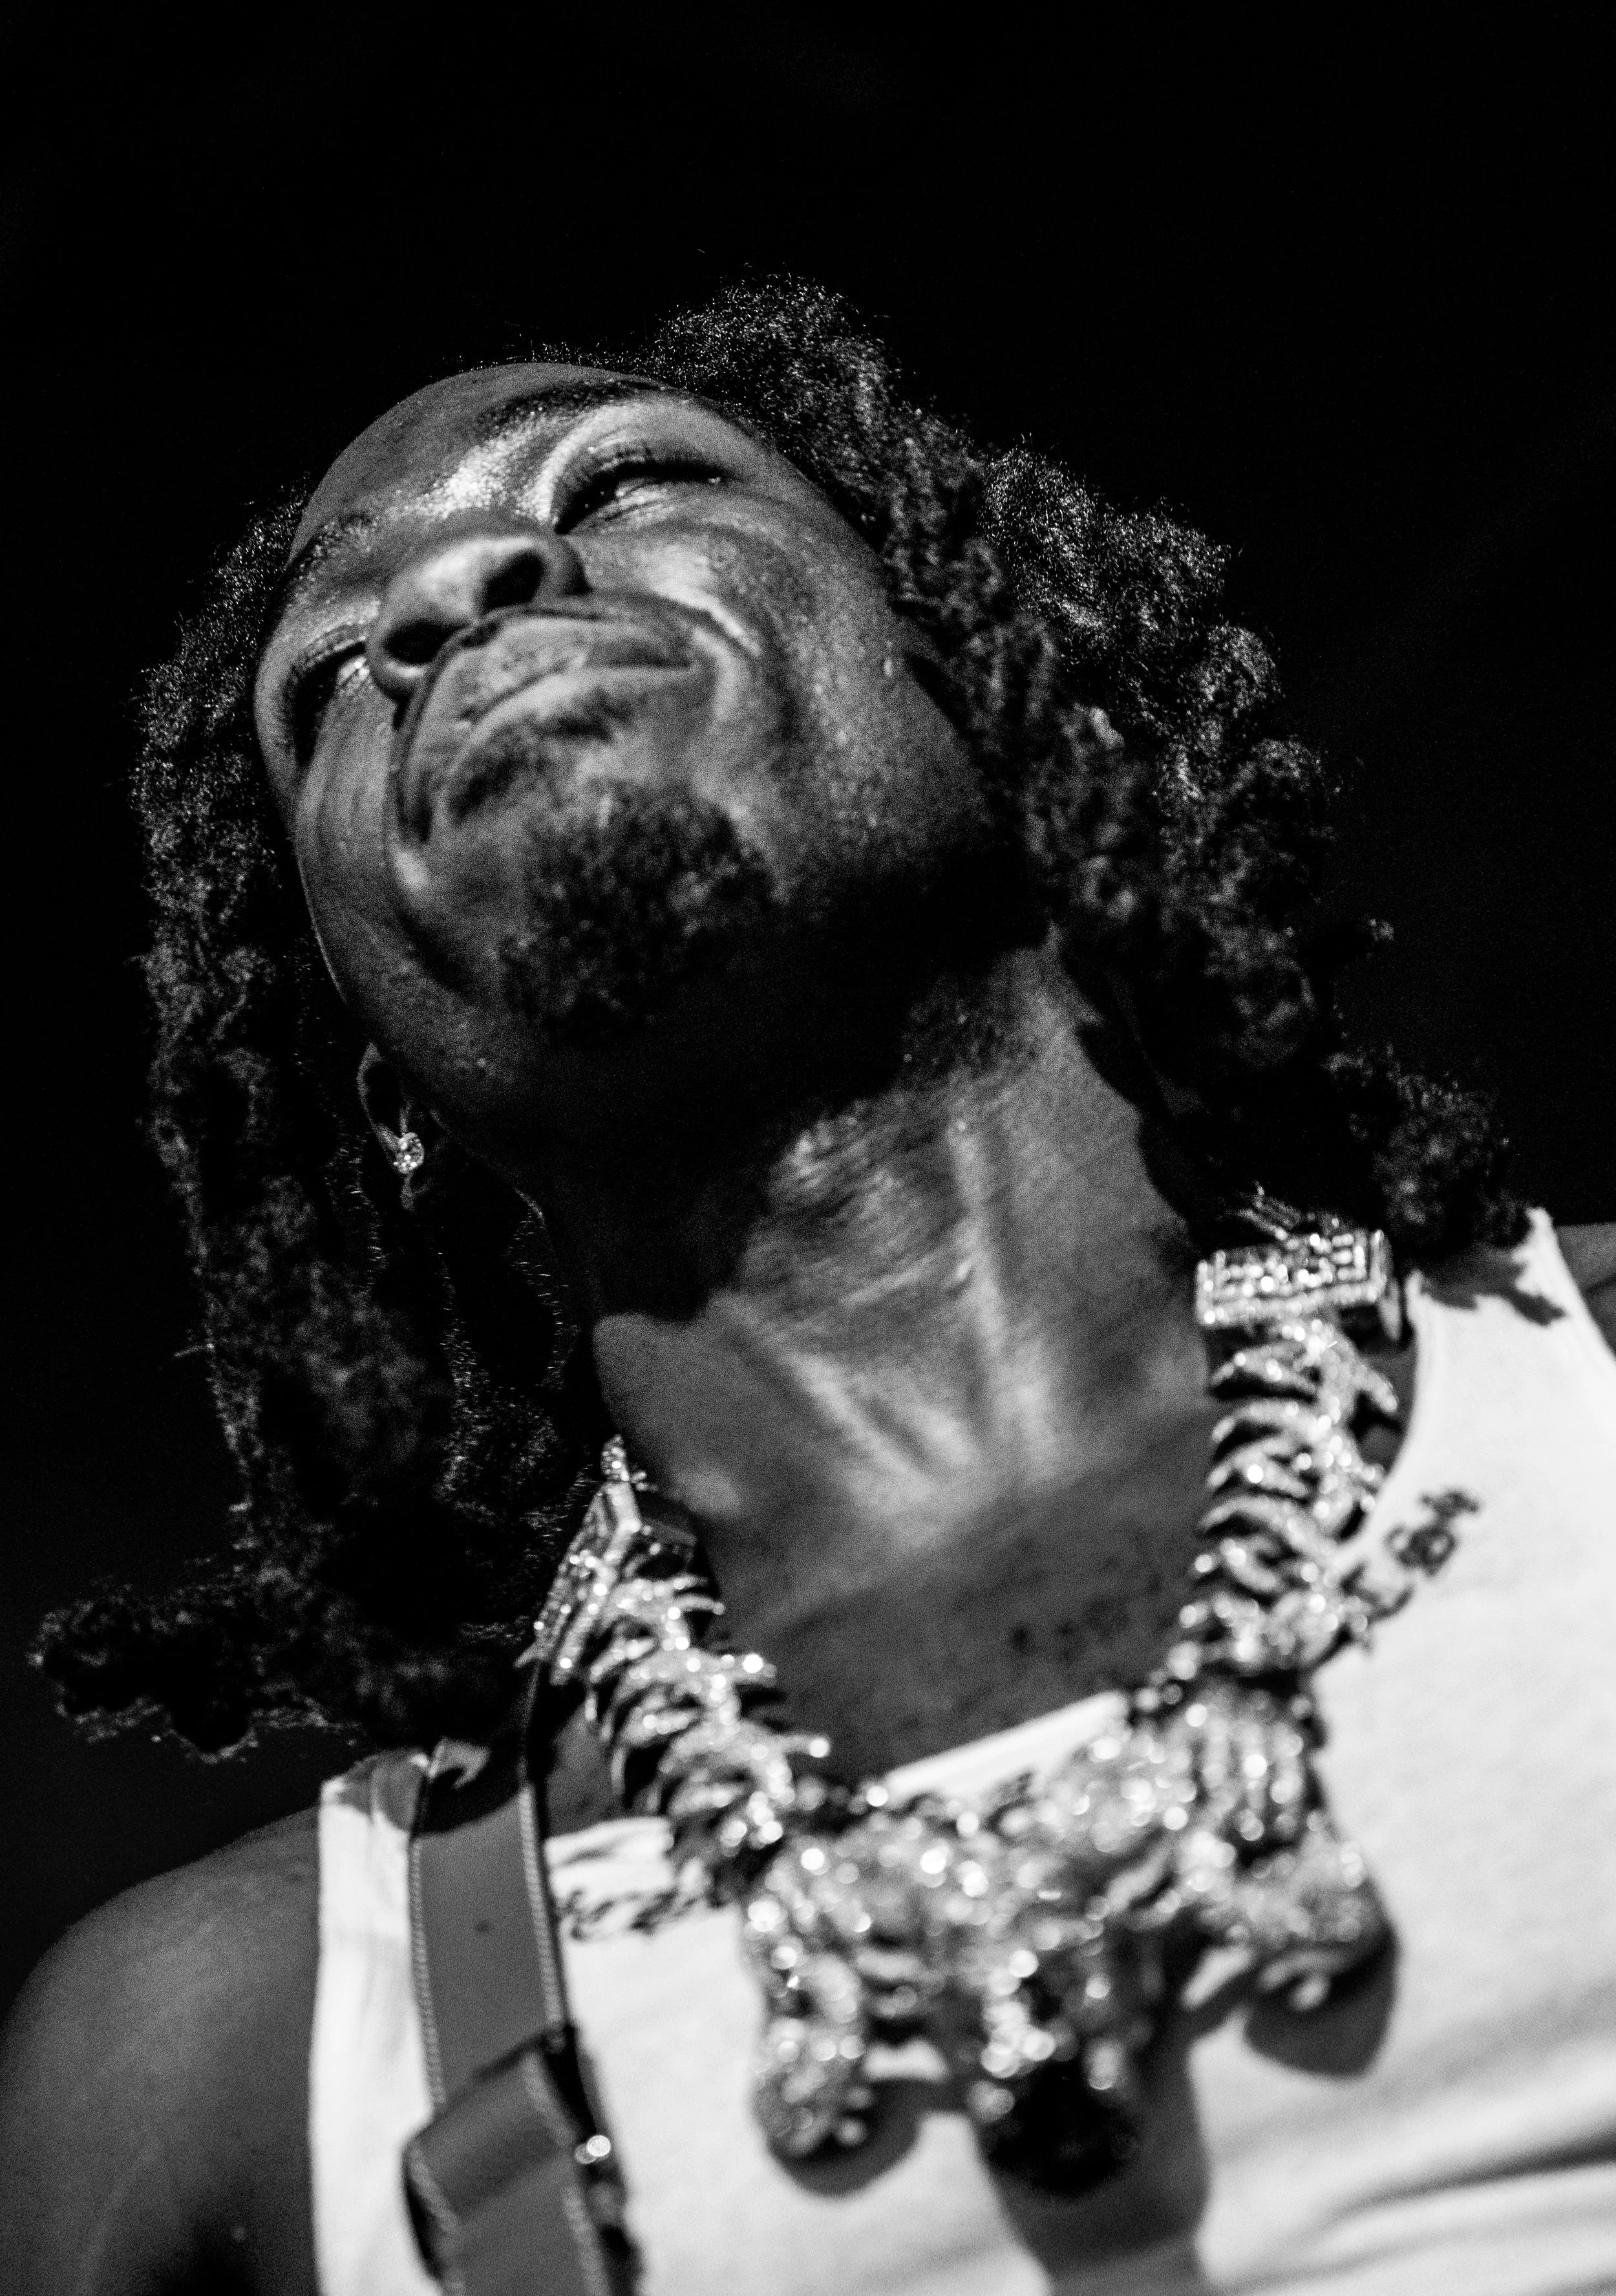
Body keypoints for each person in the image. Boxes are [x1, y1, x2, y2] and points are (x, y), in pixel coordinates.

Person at [2, 283, 1612, 2296]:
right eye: (333, 675)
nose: (455, 596)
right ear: (368, 1070)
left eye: (625, 481)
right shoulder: (219, 2054)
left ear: (995, 674)